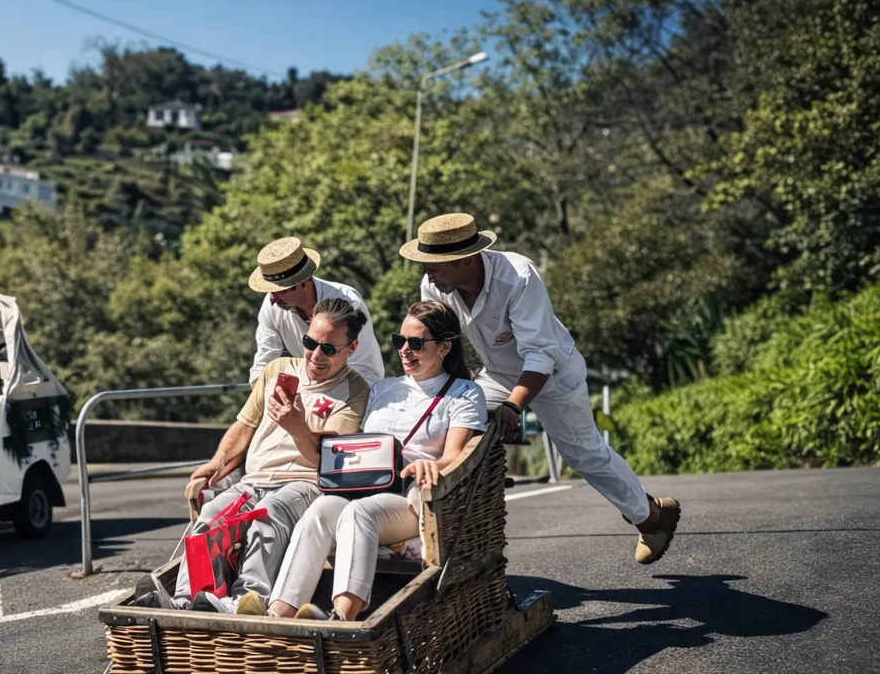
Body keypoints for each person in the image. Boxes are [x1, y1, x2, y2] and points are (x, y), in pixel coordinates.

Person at [403, 213, 681, 564]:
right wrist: (453, 395)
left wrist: (515, 406)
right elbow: (445, 345)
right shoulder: (435, 287)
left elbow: (540, 355)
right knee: (450, 425)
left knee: (585, 455)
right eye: (425, 264)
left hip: (551, 373)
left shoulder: (517, 276)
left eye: (435, 265)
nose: (427, 273)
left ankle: (652, 518)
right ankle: (463, 538)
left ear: (466, 259)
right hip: (499, 374)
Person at [133, 299, 371, 613]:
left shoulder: (355, 390)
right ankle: (187, 599)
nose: (315, 355)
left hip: (306, 483)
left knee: (268, 513)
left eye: (328, 349)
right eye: (310, 342)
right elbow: (244, 425)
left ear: (351, 348)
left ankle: (247, 599)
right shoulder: (276, 370)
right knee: (213, 513)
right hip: (256, 479)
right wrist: (217, 463)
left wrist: (297, 426)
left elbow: (328, 461)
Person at [266, 302, 487, 621]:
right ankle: (279, 616)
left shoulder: (464, 393)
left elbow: (457, 455)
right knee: (319, 511)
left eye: (416, 343)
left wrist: (432, 465)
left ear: (443, 347)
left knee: (358, 513)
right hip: (365, 488)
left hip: (414, 497)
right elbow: (352, 442)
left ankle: (342, 619)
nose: (405, 351)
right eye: (400, 341)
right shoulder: (383, 389)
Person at [248, 236, 385, 383]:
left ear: (304, 283)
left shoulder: (350, 303)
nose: (272, 298)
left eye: (280, 290)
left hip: (360, 388)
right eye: (270, 290)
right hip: (312, 388)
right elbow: (264, 360)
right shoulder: (271, 305)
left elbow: (361, 368)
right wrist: (258, 392)